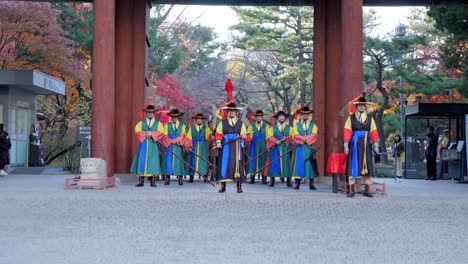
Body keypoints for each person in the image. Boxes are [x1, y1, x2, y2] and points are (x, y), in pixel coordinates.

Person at [343, 97, 379, 198]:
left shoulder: (370, 119)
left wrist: (376, 145)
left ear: (365, 106)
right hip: (354, 144)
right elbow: (347, 132)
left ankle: (367, 190)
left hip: (366, 144)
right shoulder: (351, 118)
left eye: (363, 105)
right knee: (352, 167)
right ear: (357, 106)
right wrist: (346, 146)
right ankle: (351, 190)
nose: (362, 107)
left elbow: (374, 132)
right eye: (360, 105)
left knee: (367, 167)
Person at [215, 102, 248, 193]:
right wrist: (218, 142)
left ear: (236, 113)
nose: (231, 113)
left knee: (238, 165)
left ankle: (239, 186)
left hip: (237, 146)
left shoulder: (241, 123)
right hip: (225, 145)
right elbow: (218, 134)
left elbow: (244, 135)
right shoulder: (222, 123)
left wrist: (244, 137)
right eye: (229, 111)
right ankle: (223, 186)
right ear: (227, 112)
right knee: (224, 165)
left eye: (233, 111)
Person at [130, 105, 164, 187]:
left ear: (154, 113)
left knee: (153, 161)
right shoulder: (141, 123)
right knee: (142, 160)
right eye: (148, 112)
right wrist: (145, 134)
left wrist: (152, 134)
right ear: (146, 113)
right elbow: (137, 131)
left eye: (151, 112)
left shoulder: (158, 123)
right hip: (144, 144)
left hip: (153, 144)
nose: (150, 114)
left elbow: (161, 132)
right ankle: (141, 181)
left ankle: (153, 181)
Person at [290, 106, 318, 190]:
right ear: (301, 115)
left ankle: (312, 184)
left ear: (309, 115)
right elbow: (295, 134)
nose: (305, 116)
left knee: (310, 165)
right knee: (298, 165)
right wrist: (303, 139)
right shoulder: (296, 125)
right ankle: (297, 183)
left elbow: (314, 134)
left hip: (309, 147)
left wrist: (306, 139)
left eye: (307, 114)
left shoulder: (313, 125)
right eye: (303, 114)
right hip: (300, 147)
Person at [266, 111, 294, 187]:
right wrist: (276, 140)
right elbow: (268, 137)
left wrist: (287, 138)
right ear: (277, 118)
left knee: (286, 163)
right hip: (275, 147)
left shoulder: (290, 128)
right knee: (274, 162)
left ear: (285, 118)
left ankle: (288, 180)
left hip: (286, 147)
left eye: (283, 116)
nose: (281, 118)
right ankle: (272, 180)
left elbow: (293, 137)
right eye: (280, 116)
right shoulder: (272, 128)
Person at [163, 108, 189, 186]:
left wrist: (177, 140)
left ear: (178, 117)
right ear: (170, 117)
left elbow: (183, 135)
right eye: (172, 116)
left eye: (175, 116)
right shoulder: (167, 125)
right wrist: (171, 141)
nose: (174, 118)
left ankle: (180, 178)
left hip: (178, 146)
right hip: (169, 146)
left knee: (179, 161)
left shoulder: (182, 126)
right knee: (168, 161)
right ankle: (167, 177)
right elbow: (165, 135)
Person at [246, 110, 270, 184]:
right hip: (254, 145)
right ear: (256, 117)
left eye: (260, 116)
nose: (259, 118)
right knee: (253, 160)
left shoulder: (266, 126)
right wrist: (250, 137)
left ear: (262, 117)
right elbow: (248, 136)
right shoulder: (251, 126)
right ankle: (252, 177)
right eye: (257, 117)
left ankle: (264, 178)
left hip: (263, 145)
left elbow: (268, 136)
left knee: (263, 160)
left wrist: (267, 144)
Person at [186, 113, 211, 183]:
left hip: (203, 147)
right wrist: (188, 146)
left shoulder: (206, 128)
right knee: (192, 160)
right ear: (196, 120)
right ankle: (191, 177)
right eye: (198, 119)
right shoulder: (192, 128)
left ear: (202, 120)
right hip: (194, 145)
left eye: (200, 119)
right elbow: (188, 138)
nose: (199, 120)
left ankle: (205, 177)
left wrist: (211, 134)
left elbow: (209, 138)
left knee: (204, 161)